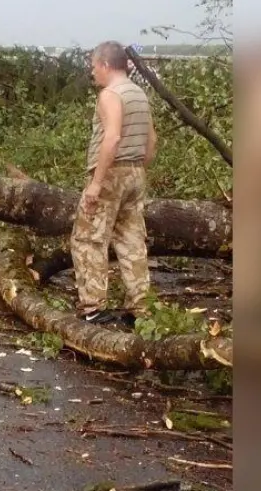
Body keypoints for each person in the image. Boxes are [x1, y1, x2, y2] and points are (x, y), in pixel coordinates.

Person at [71, 41, 157, 325]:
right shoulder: (140, 94)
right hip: (135, 173)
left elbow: (113, 137)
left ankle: (93, 307)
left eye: (94, 66)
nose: (93, 72)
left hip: (110, 172)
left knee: (88, 239)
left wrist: (97, 182)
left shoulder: (111, 95)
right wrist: (137, 170)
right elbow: (151, 142)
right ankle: (140, 306)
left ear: (106, 65)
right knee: (132, 239)